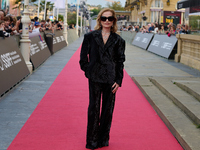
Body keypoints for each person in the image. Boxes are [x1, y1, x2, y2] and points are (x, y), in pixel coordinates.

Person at [79, 8, 125, 150]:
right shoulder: (90, 37)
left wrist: (119, 81)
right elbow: (82, 59)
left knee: (107, 110)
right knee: (93, 108)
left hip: (111, 79)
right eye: (104, 18)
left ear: (114, 21)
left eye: (110, 18)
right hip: (94, 77)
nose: (107, 21)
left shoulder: (119, 40)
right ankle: (92, 141)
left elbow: (120, 62)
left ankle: (103, 139)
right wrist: (88, 71)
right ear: (99, 20)